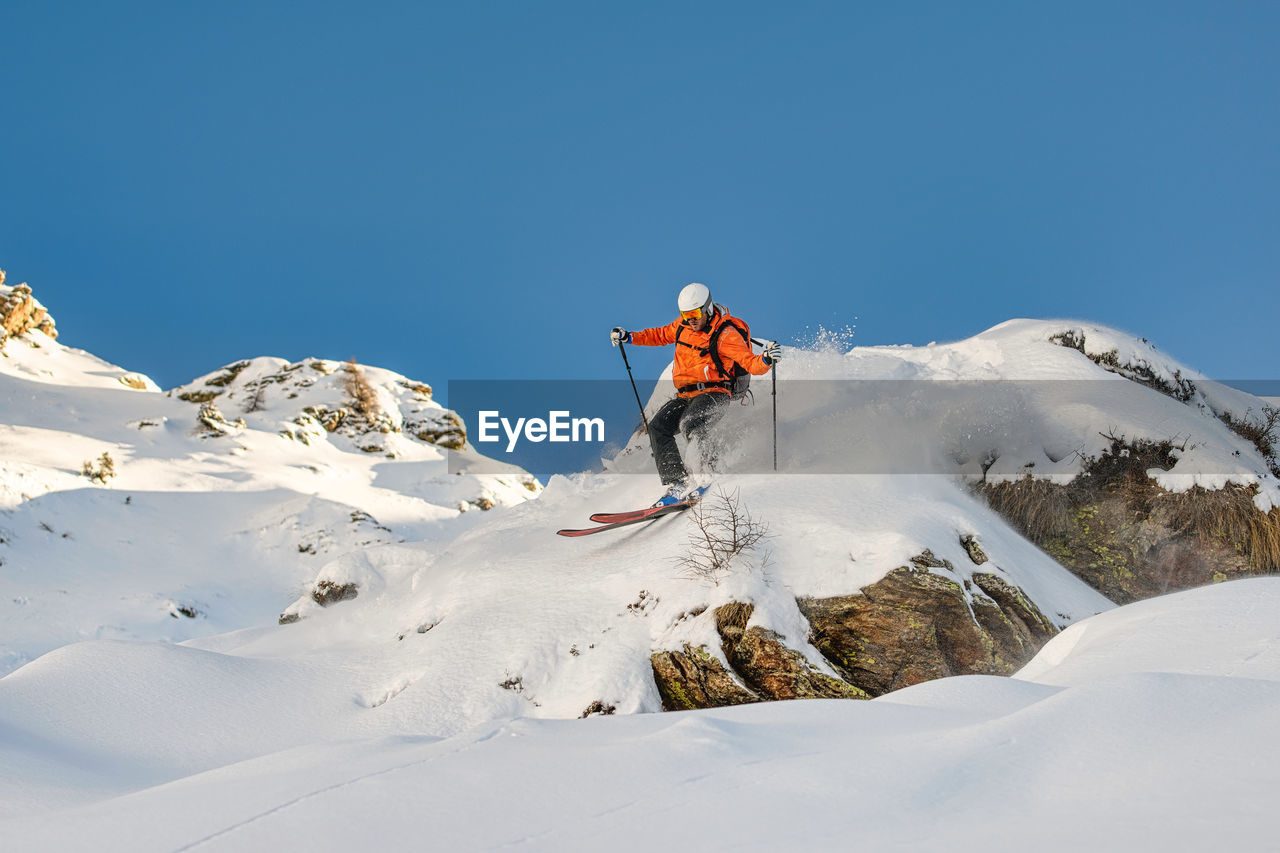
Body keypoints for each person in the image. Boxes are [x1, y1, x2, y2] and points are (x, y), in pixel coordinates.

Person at [611, 282, 781, 506]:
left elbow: (751, 363)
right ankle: (677, 483)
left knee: (691, 424)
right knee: (657, 427)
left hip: (715, 393)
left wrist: (767, 359)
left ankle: (707, 472)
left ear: (708, 309)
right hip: (685, 395)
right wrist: (629, 337)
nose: (690, 319)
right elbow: (659, 335)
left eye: (694, 313)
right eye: (685, 314)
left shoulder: (725, 335)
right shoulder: (682, 327)